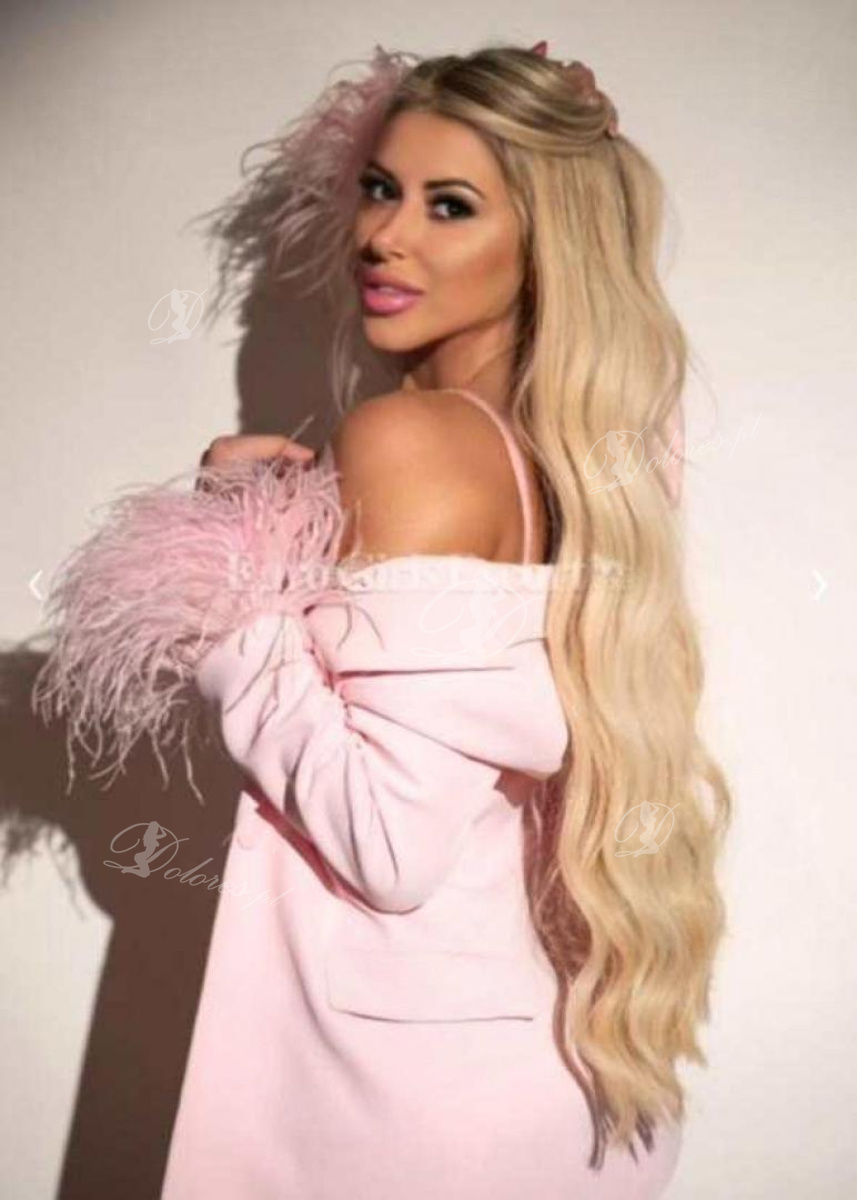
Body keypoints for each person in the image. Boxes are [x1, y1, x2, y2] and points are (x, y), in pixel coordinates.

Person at [32, 42, 732, 1200]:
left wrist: (227, 578)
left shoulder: (412, 441)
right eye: (378, 188)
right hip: (546, 1087)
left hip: (395, 1120)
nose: (384, 235)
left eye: (448, 205)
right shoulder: (581, 463)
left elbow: (384, 846)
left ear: (541, 242)